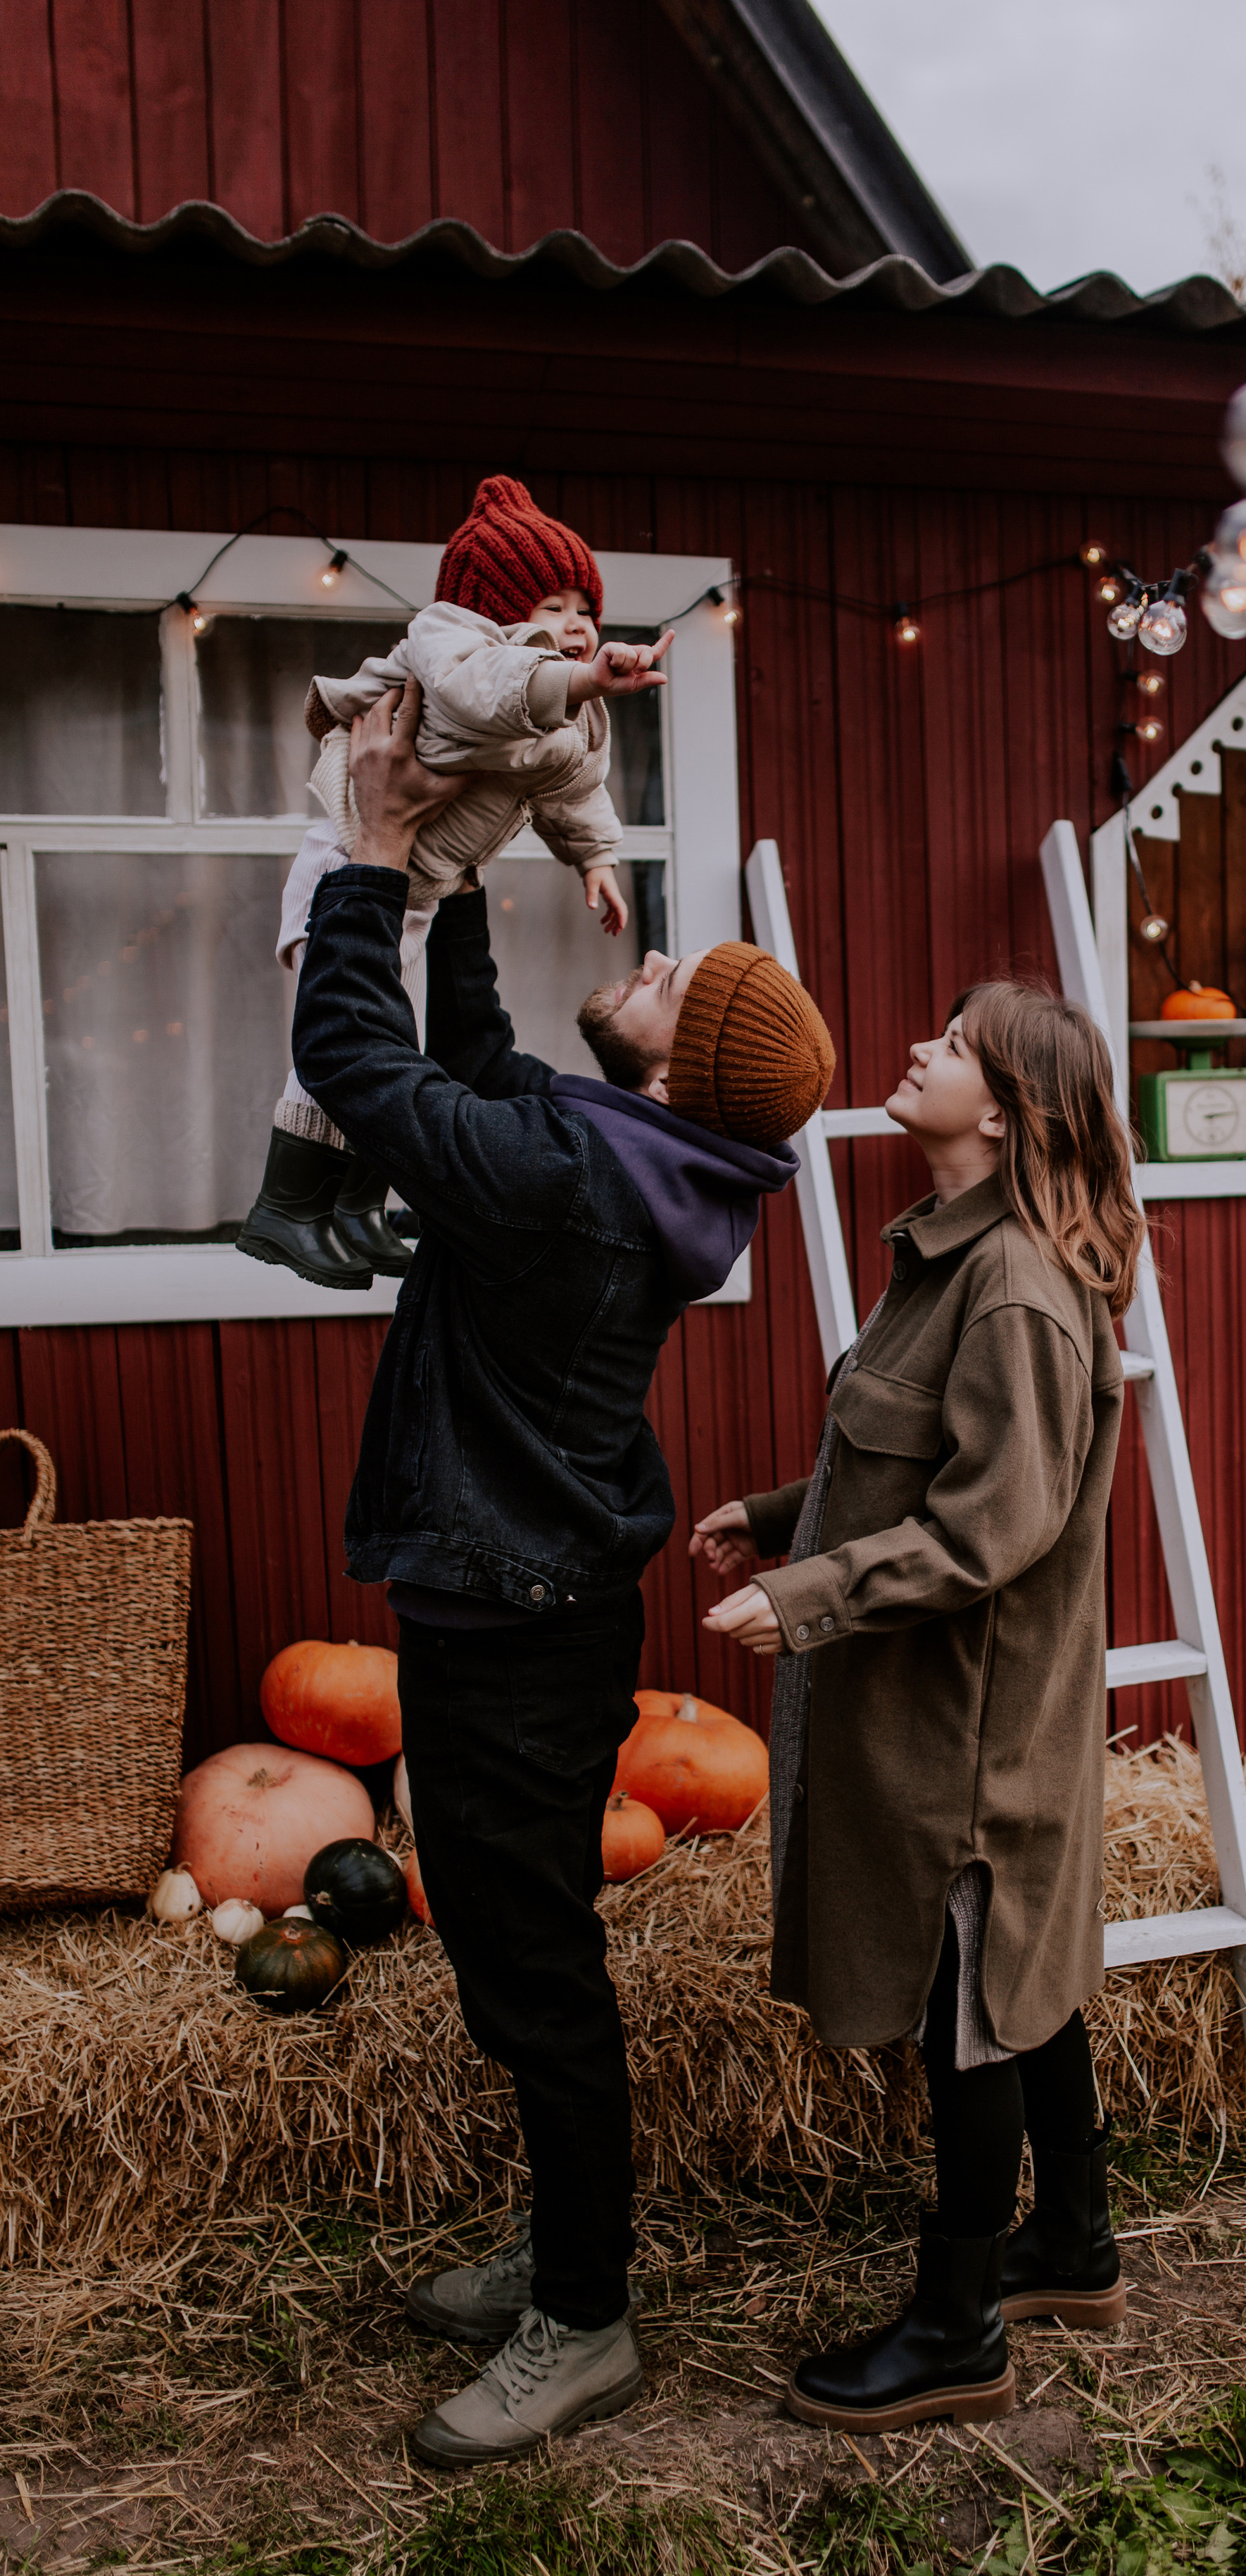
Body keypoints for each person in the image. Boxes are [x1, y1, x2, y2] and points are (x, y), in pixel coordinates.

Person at [289, 678, 834, 2467]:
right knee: (524, 1954)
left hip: (516, 1626)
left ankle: (584, 2315)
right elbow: (466, 1063)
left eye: (680, 977)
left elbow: (371, 1080)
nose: (652, 958)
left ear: (683, 1061)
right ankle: (564, 2243)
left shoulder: (573, 1180)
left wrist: (371, 862)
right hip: (515, 1604)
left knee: (535, 1973)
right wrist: (459, 868)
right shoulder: (620, 1153)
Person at [691, 980, 1145, 2432]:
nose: (913, 1051)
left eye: (946, 1047)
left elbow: (988, 1528)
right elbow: (909, 1458)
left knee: (972, 2009)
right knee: (1018, 1988)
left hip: (968, 1736)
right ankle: (1069, 2247)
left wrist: (808, 1595)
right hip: (950, 1710)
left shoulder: (1012, 1285)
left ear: (1002, 1111)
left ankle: (957, 2329)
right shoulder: (946, 1262)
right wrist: (780, 1516)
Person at [239, 473, 672, 1290]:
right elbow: (487, 697)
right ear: (495, 609)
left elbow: (576, 787)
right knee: (345, 1041)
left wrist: (596, 859)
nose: (574, 624)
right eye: (551, 606)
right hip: (347, 865)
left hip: (417, 886)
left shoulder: (569, 714)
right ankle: (288, 1205)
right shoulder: (453, 645)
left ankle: (359, 1208)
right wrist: (578, 678)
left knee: (397, 1038)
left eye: (584, 607)